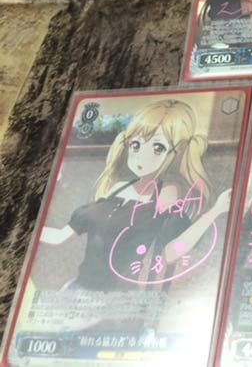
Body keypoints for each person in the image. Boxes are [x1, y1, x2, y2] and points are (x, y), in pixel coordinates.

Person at [40, 99, 231, 290]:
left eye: (158, 148)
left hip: (120, 298)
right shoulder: (117, 188)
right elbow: (60, 236)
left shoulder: (168, 197)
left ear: (177, 152)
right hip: (77, 289)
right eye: (136, 144)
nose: (142, 156)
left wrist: (215, 211)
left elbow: (171, 252)